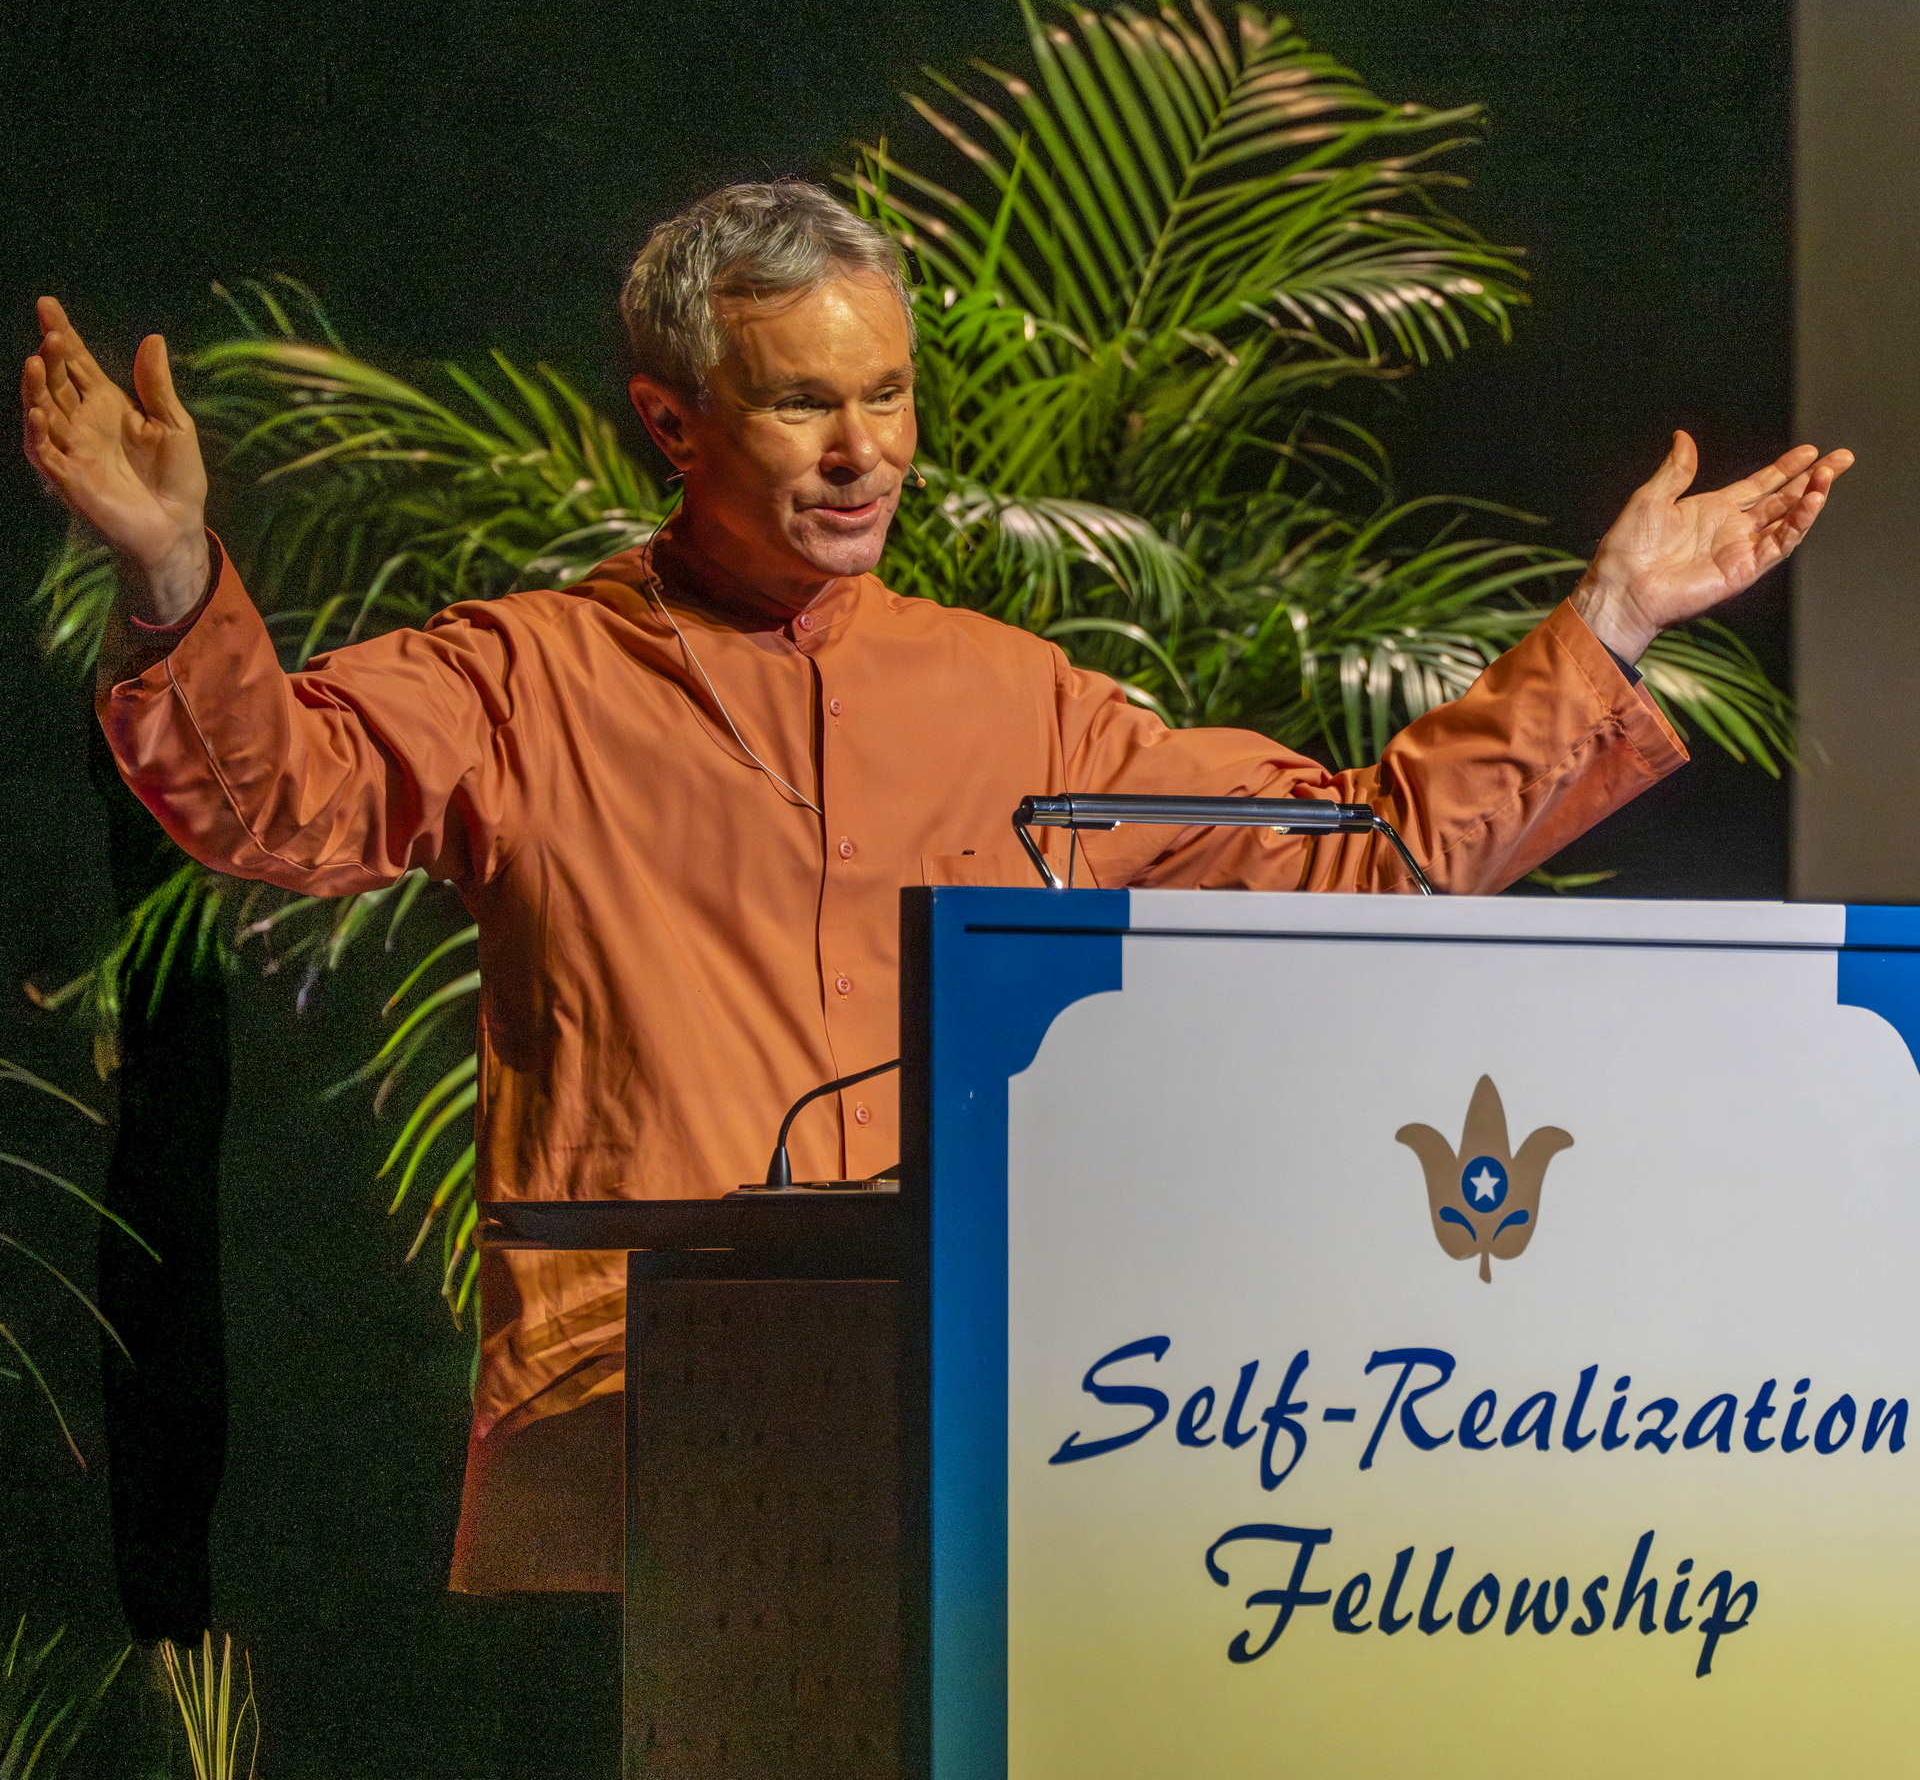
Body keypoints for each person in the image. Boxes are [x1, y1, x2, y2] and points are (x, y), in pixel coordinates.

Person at [20, 182, 1850, 1594]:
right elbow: (273, 797)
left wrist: (1612, 622)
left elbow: (1365, 846)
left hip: (986, 1415)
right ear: (672, 419)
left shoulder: (1006, 696)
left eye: (888, 395)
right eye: (804, 404)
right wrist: (178, 577)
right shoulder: (528, 680)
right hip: (654, 1407)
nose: (864, 450)